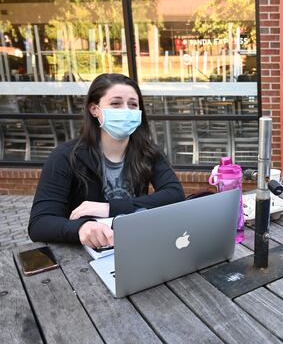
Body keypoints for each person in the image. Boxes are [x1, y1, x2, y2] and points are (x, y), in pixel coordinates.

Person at [28, 73, 185, 248]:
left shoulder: (147, 151)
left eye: (133, 104)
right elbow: (39, 223)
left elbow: (175, 194)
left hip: (136, 242)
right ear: (94, 110)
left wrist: (110, 208)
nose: (126, 110)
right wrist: (81, 228)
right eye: (116, 103)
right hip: (87, 251)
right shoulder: (65, 157)